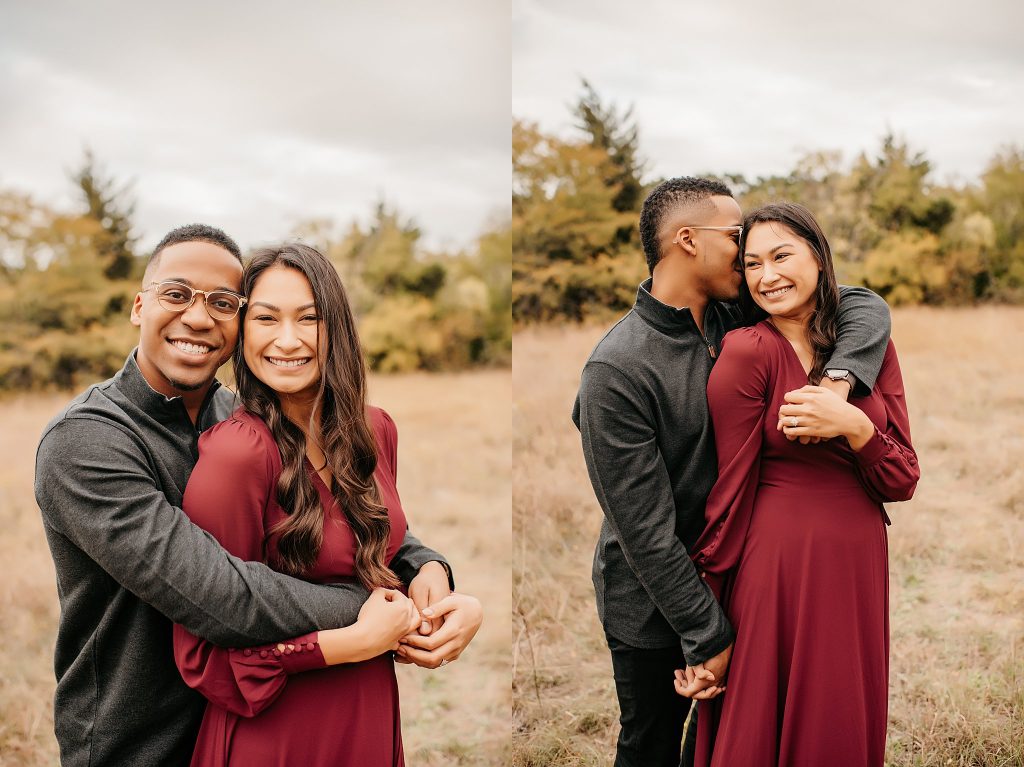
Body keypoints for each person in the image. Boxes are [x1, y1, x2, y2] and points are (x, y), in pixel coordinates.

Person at [34, 224, 479, 767]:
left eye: (223, 302)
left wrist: (426, 565)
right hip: (142, 740)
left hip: (265, 708)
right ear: (138, 306)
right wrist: (386, 608)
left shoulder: (242, 416)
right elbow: (222, 593)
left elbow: (335, 517)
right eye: (175, 294)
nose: (198, 317)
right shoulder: (87, 442)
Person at [572, 178, 893, 767]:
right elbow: (644, 530)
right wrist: (706, 634)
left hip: (745, 581)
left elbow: (864, 305)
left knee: (724, 744)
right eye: (738, 239)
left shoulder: (736, 314)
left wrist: (841, 380)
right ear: (689, 240)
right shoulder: (615, 371)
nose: (751, 260)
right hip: (657, 603)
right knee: (652, 747)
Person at [172, 243, 482, 766]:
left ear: (335, 325)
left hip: (369, 715)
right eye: (266, 318)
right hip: (276, 737)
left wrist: (441, 587)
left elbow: (376, 554)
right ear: (242, 331)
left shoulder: (375, 430)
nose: (287, 340)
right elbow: (202, 655)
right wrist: (347, 644)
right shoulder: (237, 455)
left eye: (309, 318)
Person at [680, 202, 919, 766]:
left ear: (818, 255)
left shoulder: (867, 346)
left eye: (782, 256)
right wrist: (707, 631)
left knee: (838, 710)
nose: (768, 276)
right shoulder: (748, 352)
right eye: (753, 264)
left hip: (859, 564)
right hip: (777, 567)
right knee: (763, 720)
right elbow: (728, 494)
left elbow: (903, 477)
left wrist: (857, 427)